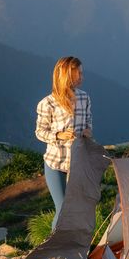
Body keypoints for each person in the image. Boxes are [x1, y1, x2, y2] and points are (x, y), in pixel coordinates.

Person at [35, 56, 93, 230]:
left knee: (78, 209)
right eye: (79, 73)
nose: (82, 77)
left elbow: (89, 122)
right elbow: (39, 132)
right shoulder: (47, 104)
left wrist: (88, 132)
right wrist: (59, 135)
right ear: (67, 75)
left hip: (79, 163)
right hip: (55, 163)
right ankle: (54, 250)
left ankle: (73, 247)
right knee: (62, 209)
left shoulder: (84, 98)